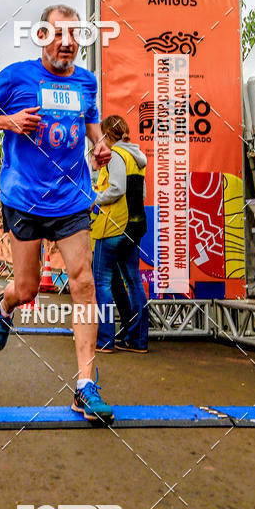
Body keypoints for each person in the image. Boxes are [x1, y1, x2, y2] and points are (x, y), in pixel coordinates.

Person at [0, 3, 115, 424]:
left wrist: (100, 145)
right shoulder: (17, 77)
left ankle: (85, 386)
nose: (67, 43)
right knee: (28, 287)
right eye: (59, 35)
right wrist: (9, 121)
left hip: (71, 199)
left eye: (74, 36)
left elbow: (92, 125)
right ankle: (6, 304)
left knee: (83, 282)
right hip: (25, 198)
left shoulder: (86, 83)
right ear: (43, 38)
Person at [91, 115, 149, 353]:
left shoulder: (114, 155)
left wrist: (94, 198)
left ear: (107, 135)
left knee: (102, 283)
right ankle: (138, 340)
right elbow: (142, 194)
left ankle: (105, 339)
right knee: (134, 282)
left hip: (112, 227)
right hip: (134, 228)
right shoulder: (137, 158)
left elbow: (116, 188)